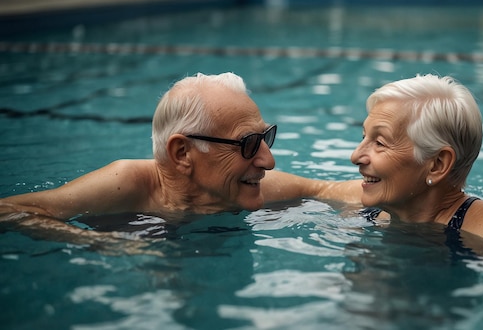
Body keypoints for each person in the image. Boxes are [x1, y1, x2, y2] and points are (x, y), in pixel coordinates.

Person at [264, 73, 483, 288]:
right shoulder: (373, 199)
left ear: (436, 164)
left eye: (379, 142)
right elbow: (307, 187)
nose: (356, 156)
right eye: (363, 137)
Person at [0, 72, 291, 248]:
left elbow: (331, 190)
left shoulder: (245, 185)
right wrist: (102, 242)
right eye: (249, 143)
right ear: (182, 154)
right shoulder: (127, 183)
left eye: (265, 137)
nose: (268, 161)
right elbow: (10, 210)